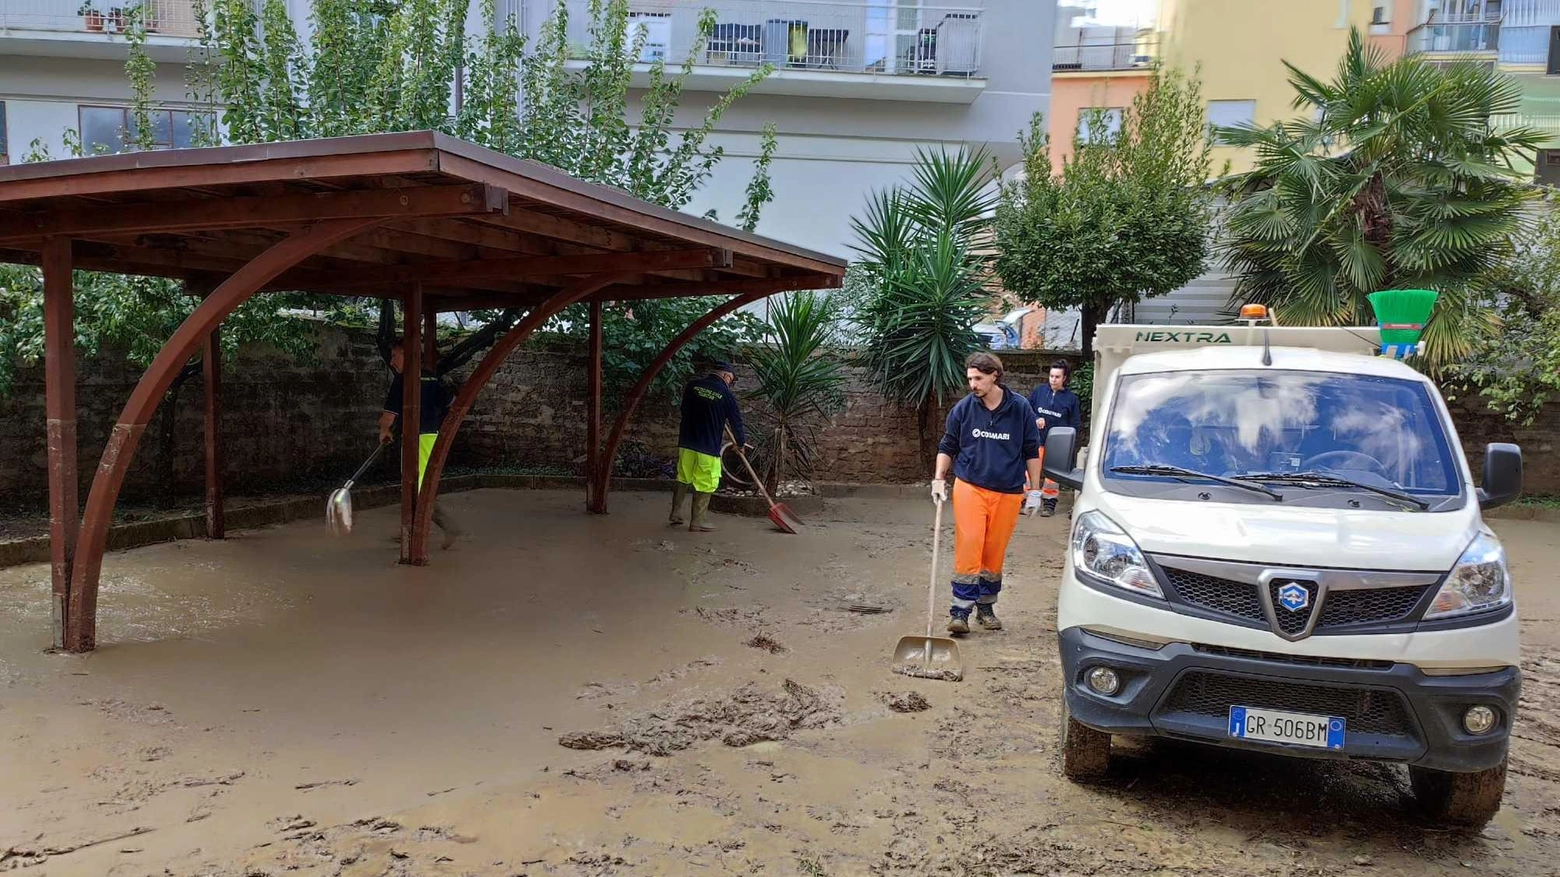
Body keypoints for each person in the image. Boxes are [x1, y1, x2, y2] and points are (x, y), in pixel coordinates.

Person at [932, 352, 1043, 635]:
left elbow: (1032, 450)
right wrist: (938, 478)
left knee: (993, 552)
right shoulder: (964, 409)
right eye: (970, 378)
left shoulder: (1020, 409)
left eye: (978, 378)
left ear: (995, 375)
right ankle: (960, 612)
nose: (972, 384)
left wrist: (1035, 490)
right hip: (970, 486)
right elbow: (948, 445)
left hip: (1007, 491)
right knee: (970, 545)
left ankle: (986, 606)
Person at [378, 338, 462, 549]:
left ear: (407, 356)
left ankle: (440, 526)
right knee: (416, 483)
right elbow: (452, 404)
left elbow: (388, 415)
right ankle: (410, 528)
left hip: (414, 439)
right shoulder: (432, 379)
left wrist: (384, 431)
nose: (391, 361)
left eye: (395, 355)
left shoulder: (403, 380)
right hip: (430, 437)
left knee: (418, 487)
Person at [670, 359, 746, 533]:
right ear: (726, 375)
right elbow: (736, 423)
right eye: (731, 380)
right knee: (706, 481)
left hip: (687, 441)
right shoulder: (726, 395)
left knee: (683, 475)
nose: (730, 383)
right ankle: (698, 521)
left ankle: (675, 513)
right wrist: (740, 443)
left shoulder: (693, 386)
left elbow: (684, 410)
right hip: (708, 445)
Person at [1027, 358, 1083, 517]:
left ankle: (1049, 504)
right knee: (1030, 473)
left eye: (1057, 377)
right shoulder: (1039, 392)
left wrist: (1068, 445)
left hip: (1057, 446)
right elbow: (1027, 410)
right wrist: (1035, 418)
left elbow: (1075, 424)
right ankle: (1025, 500)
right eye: (1051, 376)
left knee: (1052, 477)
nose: (1053, 379)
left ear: (1064, 378)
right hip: (1036, 440)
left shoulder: (1071, 399)